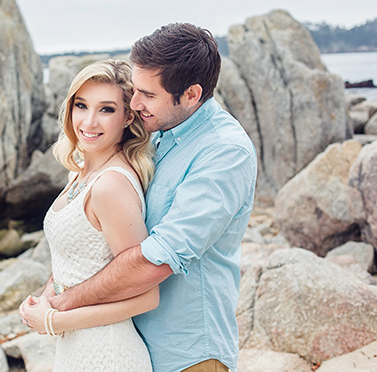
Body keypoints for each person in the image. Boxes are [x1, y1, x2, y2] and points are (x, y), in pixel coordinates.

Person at [48, 23, 258, 372]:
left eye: (147, 94)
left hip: (189, 351)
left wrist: (62, 304)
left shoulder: (224, 152)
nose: (135, 103)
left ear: (191, 95)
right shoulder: (158, 134)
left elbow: (158, 259)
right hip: (132, 342)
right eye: (134, 90)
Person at [19, 59, 157, 371]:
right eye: (81, 105)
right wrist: (43, 301)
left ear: (126, 117)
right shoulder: (80, 174)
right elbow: (75, 263)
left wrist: (55, 320)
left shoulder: (111, 185)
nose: (89, 121)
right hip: (76, 349)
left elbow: (147, 297)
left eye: (106, 109)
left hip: (108, 354)